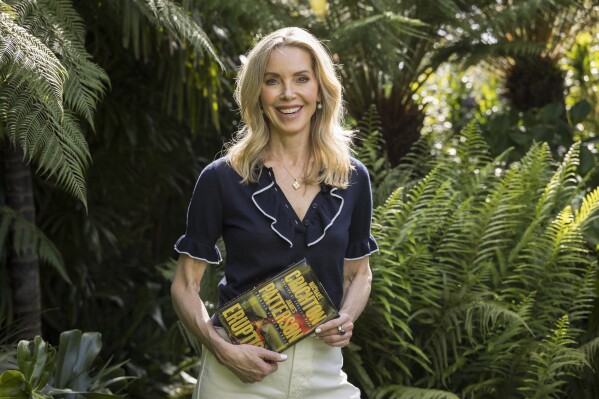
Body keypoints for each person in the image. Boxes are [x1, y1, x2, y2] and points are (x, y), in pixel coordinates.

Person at [170, 26, 378, 399]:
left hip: (323, 372)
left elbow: (359, 273)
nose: (288, 94)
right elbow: (184, 285)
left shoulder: (353, 179)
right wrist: (222, 350)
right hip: (237, 375)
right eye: (272, 81)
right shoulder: (221, 179)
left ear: (320, 90)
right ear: (257, 93)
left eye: (301, 78)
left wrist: (348, 316)